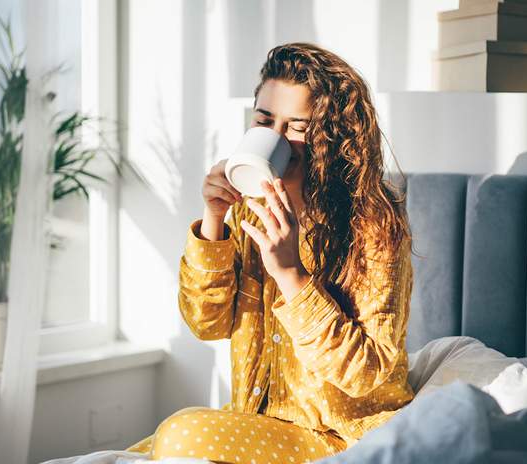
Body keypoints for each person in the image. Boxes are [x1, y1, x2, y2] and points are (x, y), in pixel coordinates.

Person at [125, 42, 416, 463]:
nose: (276, 138)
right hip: (260, 424)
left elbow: (365, 372)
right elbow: (207, 324)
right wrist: (214, 218)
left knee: (179, 433)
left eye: (296, 127)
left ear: (330, 136)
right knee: (139, 452)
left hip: (340, 436)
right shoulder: (249, 210)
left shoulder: (373, 227)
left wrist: (290, 275)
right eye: (264, 121)